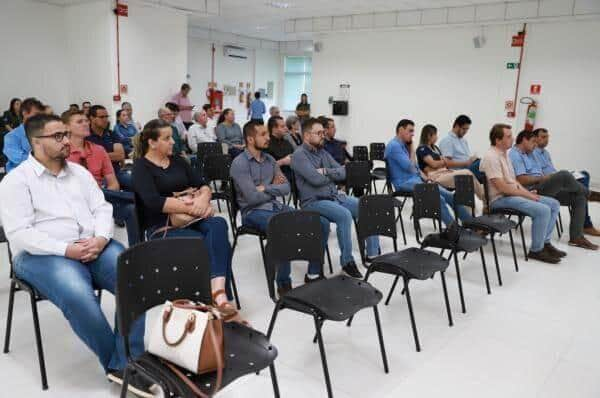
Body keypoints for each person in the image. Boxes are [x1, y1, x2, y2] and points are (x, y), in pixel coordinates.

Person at [0, 114, 149, 396]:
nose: (67, 140)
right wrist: (66, 249)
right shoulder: (15, 181)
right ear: (36, 142)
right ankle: (122, 366)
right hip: (39, 254)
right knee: (78, 294)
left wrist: (101, 237)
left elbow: (102, 209)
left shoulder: (78, 173)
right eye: (58, 136)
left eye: (66, 134)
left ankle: (126, 363)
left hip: (91, 244)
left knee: (135, 277)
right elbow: (19, 233)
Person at [132, 119, 242, 322]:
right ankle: (210, 300)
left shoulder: (178, 161)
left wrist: (202, 198)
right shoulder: (141, 167)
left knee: (219, 224)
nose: (173, 142)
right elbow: (154, 202)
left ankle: (218, 294)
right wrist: (195, 208)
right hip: (164, 225)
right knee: (202, 242)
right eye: (166, 139)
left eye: (172, 137)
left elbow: (203, 183)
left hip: (191, 217)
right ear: (152, 142)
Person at [230, 121, 330, 296]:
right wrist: (272, 187)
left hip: (276, 206)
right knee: (284, 227)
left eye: (267, 134)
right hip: (253, 212)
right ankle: (283, 281)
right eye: (263, 135)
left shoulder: (269, 160)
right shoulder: (240, 163)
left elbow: (286, 188)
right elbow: (252, 198)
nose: (268, 137)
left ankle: (313, 273)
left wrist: (265, 187)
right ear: (250, 139)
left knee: (320, 222)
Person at [291, 117, 380, 278]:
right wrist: (331, 175)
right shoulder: (299, 155)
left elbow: (344, 172)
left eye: (323, 133)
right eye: (318, 133)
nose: (322, 136)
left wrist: (325, 172)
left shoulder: (323, 153)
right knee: (345, 216)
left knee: (367, 206)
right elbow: (314, 179)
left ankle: (373, 255)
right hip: (313, 202)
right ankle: (347, 262)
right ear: (306, 136)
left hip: (333, 196)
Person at [480, 124, 562, 263]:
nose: (512, 139)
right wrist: (528, 196)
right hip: (499, 199)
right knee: (542, 210)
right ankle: (536, 250)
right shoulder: (491, 157)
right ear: (498, 140)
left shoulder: (504, 155)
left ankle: (545, 243)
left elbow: (515, 182)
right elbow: (503, 188)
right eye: (508, 136)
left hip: (511, 195)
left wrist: (528, 193)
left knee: (554, 204)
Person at [509, 130, 597, 249]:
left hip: (543, 186)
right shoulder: (515, 154)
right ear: (524, 140)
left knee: (579, 198)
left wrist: (548, 178)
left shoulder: (531, 153)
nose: (535, 145)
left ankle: (576, 237)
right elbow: (521, 180)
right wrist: (543, 178)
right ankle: (590, 194)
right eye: (533, 142)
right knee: (564, 175)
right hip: (531, 191)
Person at [385, 119, 472, 226]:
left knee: (449, 195)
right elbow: (410, 167)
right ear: (400, 130)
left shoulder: (402, 145)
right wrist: (412, 148)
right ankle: (453, 228)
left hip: (415, 180)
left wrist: (424, 177)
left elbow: (415, 167)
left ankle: (470, 223)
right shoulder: (394, 146)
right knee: (437, 197)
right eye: (410, 131)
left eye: (413, 131)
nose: (413, 134)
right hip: (403, 183)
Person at [533, 128, 600, 236]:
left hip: (556, 180)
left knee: (584, 175)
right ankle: (588, 201)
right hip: (546, 184)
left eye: (548, 137)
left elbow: (552, 170)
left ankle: (586, 196)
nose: (546, 140)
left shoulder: (545, 153)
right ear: (535, 138)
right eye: (543, 137)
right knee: (579, 188)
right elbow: (538, 175)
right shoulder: (532, 153)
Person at [416, 124, 484, 199]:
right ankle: (484, 199)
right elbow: (434, 164)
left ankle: (481, 200)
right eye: (435, 134)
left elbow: (442, 162)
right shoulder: (422, 149)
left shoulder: (435, 148)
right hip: (436, 177)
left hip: (446, 172)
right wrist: (443, 162)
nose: (437, 137)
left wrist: (442, 162)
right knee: (467, 173)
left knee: (476, 168)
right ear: (429, 135)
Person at [63, 110, 119, 190]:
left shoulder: (99, 150)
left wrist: (101, 199)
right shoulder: (61, 152)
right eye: (79, 122)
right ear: (66, 127)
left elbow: (113, 184)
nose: (86, 124)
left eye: (86, 121)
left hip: (99, 196)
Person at [86, 105, 132, 190]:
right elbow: (87, 157)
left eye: (106, 116)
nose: (105, 120)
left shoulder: (111, 134)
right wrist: (111, 155)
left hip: (116, 172)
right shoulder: (86, 136)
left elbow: (120, 155)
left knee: (138, 185)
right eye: (101, 117)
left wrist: (98, 155)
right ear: (92, 118)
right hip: (98, 176)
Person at [3, 97, 44, 172]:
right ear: (25, 113)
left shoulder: (44, 133)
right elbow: (18, 159)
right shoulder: (11, 136)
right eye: (36, 114)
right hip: (20, 176)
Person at [439, 115, 482, 180]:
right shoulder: (447, 141)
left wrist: (472, 159)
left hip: (468, 168)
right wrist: (466, 163)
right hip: (458, 172)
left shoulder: (463, 141)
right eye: (464, 129)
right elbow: (447, 163)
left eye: (467, 129)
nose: (465, 131)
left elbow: (464, 158)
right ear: (456, 126)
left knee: (486, 162)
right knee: (482, 163)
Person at [265, 115, 294, 182]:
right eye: (282, 126)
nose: (286, 128)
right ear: (274, 129)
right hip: (275, 179)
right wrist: (282, 162)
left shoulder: (287, 142)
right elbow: (264, 168)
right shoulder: (266, 144)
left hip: (291, 175)